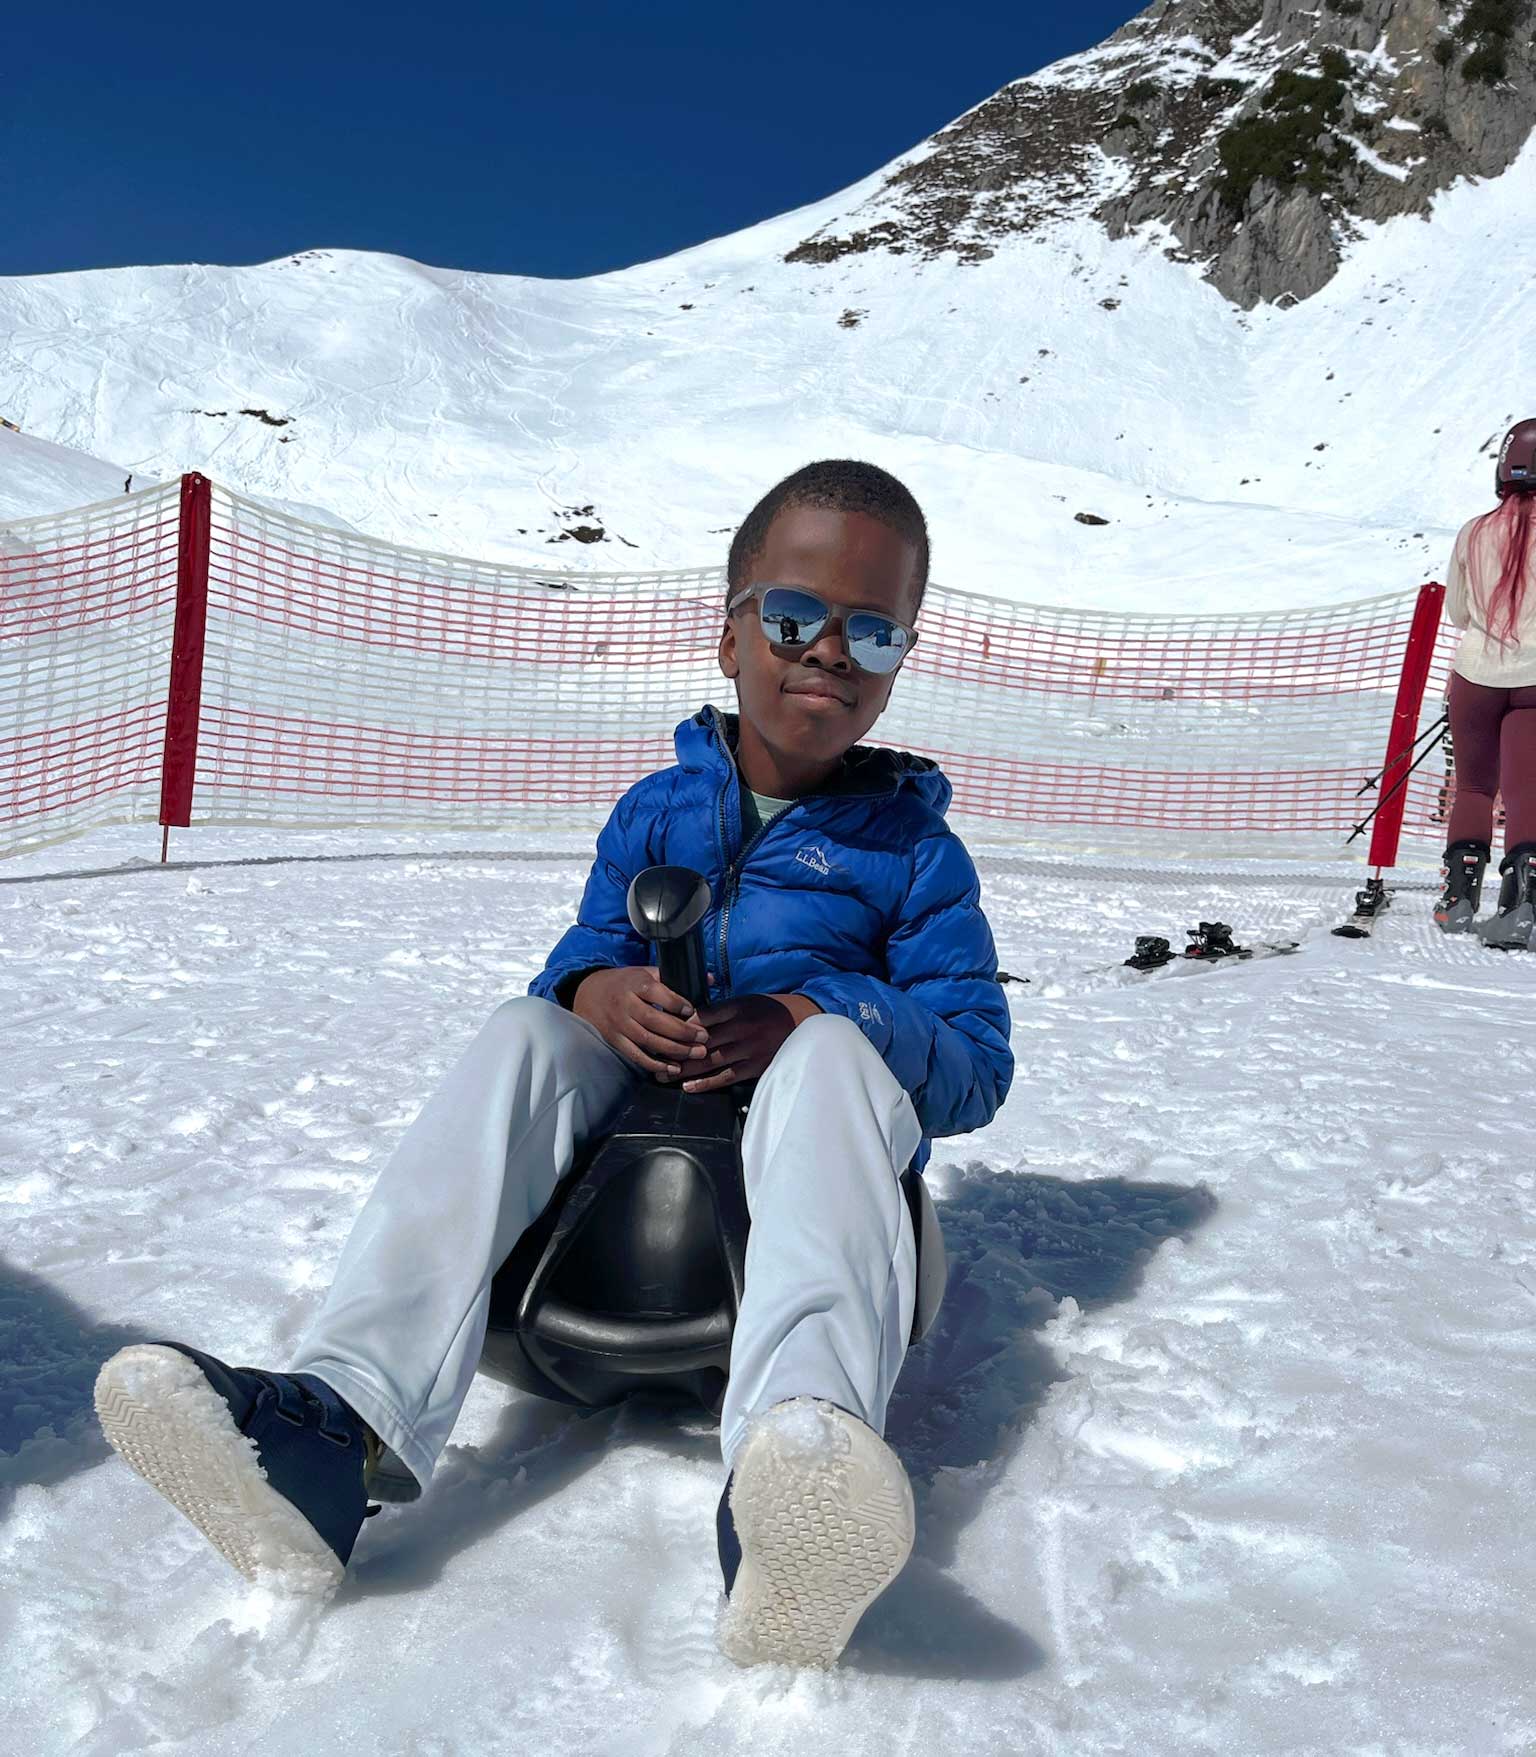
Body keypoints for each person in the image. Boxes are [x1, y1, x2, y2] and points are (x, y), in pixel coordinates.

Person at [93, 459, 1014, 1667]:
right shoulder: (654, 811)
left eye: (874, 630)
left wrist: (811, 1013)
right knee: (523, 1029)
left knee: (840, 1054)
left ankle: (800, 1469)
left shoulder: (916, 854)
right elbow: (580, 953)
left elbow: (974, 1066)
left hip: (805, 1165)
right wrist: (594, 989)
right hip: (619, 1192)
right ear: (732, 626)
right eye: (797, 615)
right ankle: (341, 1427)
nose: (830, 651)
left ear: (899, 663)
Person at [1434, 419, 1536, 947]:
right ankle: (1522, 907)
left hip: (1476, 674)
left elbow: (1458, 611)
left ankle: (1457, 901)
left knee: (1474, 786)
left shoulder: (1473, 531)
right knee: (1527, 791)